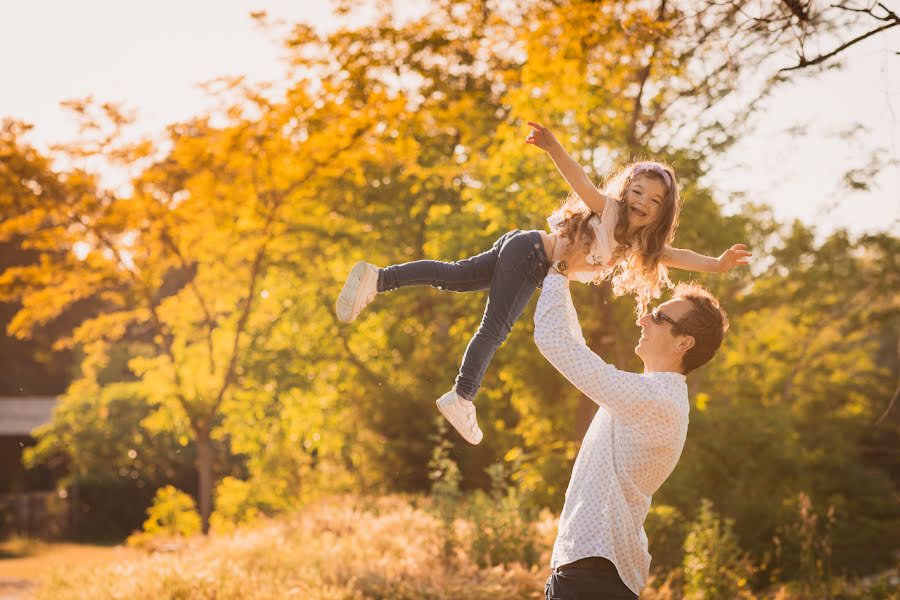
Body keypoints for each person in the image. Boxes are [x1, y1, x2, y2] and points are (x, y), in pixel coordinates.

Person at [335, 121, 749, 445]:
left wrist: (717, 264)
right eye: (637, 192)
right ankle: (462, 396)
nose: (642, 202)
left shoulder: (640, 242)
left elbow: (679, 256)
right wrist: (554, 148)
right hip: (532, 257)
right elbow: (581, 181)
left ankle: (379, 278)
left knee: (455, 276)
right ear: (625, 192)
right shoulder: (611, 213)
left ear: (663, 212)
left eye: (653, 200)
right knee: (493, 328)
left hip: (525, 246)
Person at [534, 236, 730, 599]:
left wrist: (559, 267)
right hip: (592, 572)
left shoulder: (652, 399)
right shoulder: (651, 395)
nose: (643, 318)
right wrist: (559, 279)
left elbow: (555, 342)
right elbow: (574, 347)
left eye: (658, 317)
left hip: (592, 577)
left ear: (683, 342)